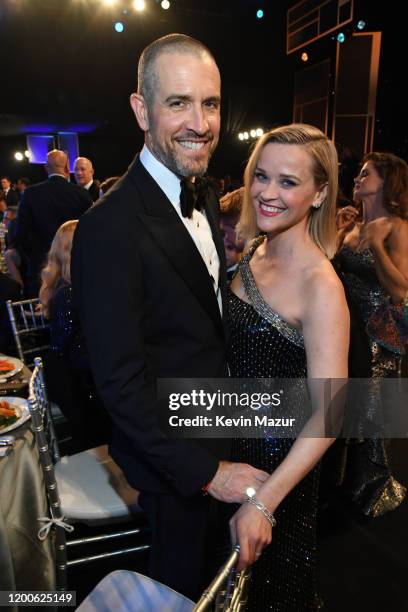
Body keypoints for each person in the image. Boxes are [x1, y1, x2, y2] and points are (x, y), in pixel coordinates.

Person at [71, 33, 268, 601]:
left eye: (210, 103)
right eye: (177, 103)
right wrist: (208, 474)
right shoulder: (108, 229)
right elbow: (121, 385)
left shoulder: (202, 193)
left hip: (220, 425)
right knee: (181, 591)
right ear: (141, 110)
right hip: (173, 466)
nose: (200, 122)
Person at [226, 124, 349, 610]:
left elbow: (332, 415)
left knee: (271, 595)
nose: (267, 193)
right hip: (231, 446)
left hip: (279, 470)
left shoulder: (321, 285)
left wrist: (264, 502)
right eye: (262, 176)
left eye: (288, 182)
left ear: (320, 193)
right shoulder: (256, 249)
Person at [335, 151, 408, 517]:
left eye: (366, 174)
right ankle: (350, 481)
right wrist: (338, 231)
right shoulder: (352, 225)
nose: (357, 179)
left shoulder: (396, 227)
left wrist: (377, 246)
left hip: (379, 332)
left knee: (373, 408)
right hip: (348, 330)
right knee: (352, 407)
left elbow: (400, 290)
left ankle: (376, 487)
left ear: (386, 182)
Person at [39, 220, 111, 452]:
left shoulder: (79, 284)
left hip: (84, 367)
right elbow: (64, 346)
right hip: (72, 375)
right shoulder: (68, 292)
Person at [15, 150, 92, 297]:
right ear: (66, 167)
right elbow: (90, 231)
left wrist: (35, 256)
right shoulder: (81, 194)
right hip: (75, 268)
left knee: (42, 313)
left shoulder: (30, 194)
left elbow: (21, 234)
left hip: (41, 268)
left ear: (46, 167)